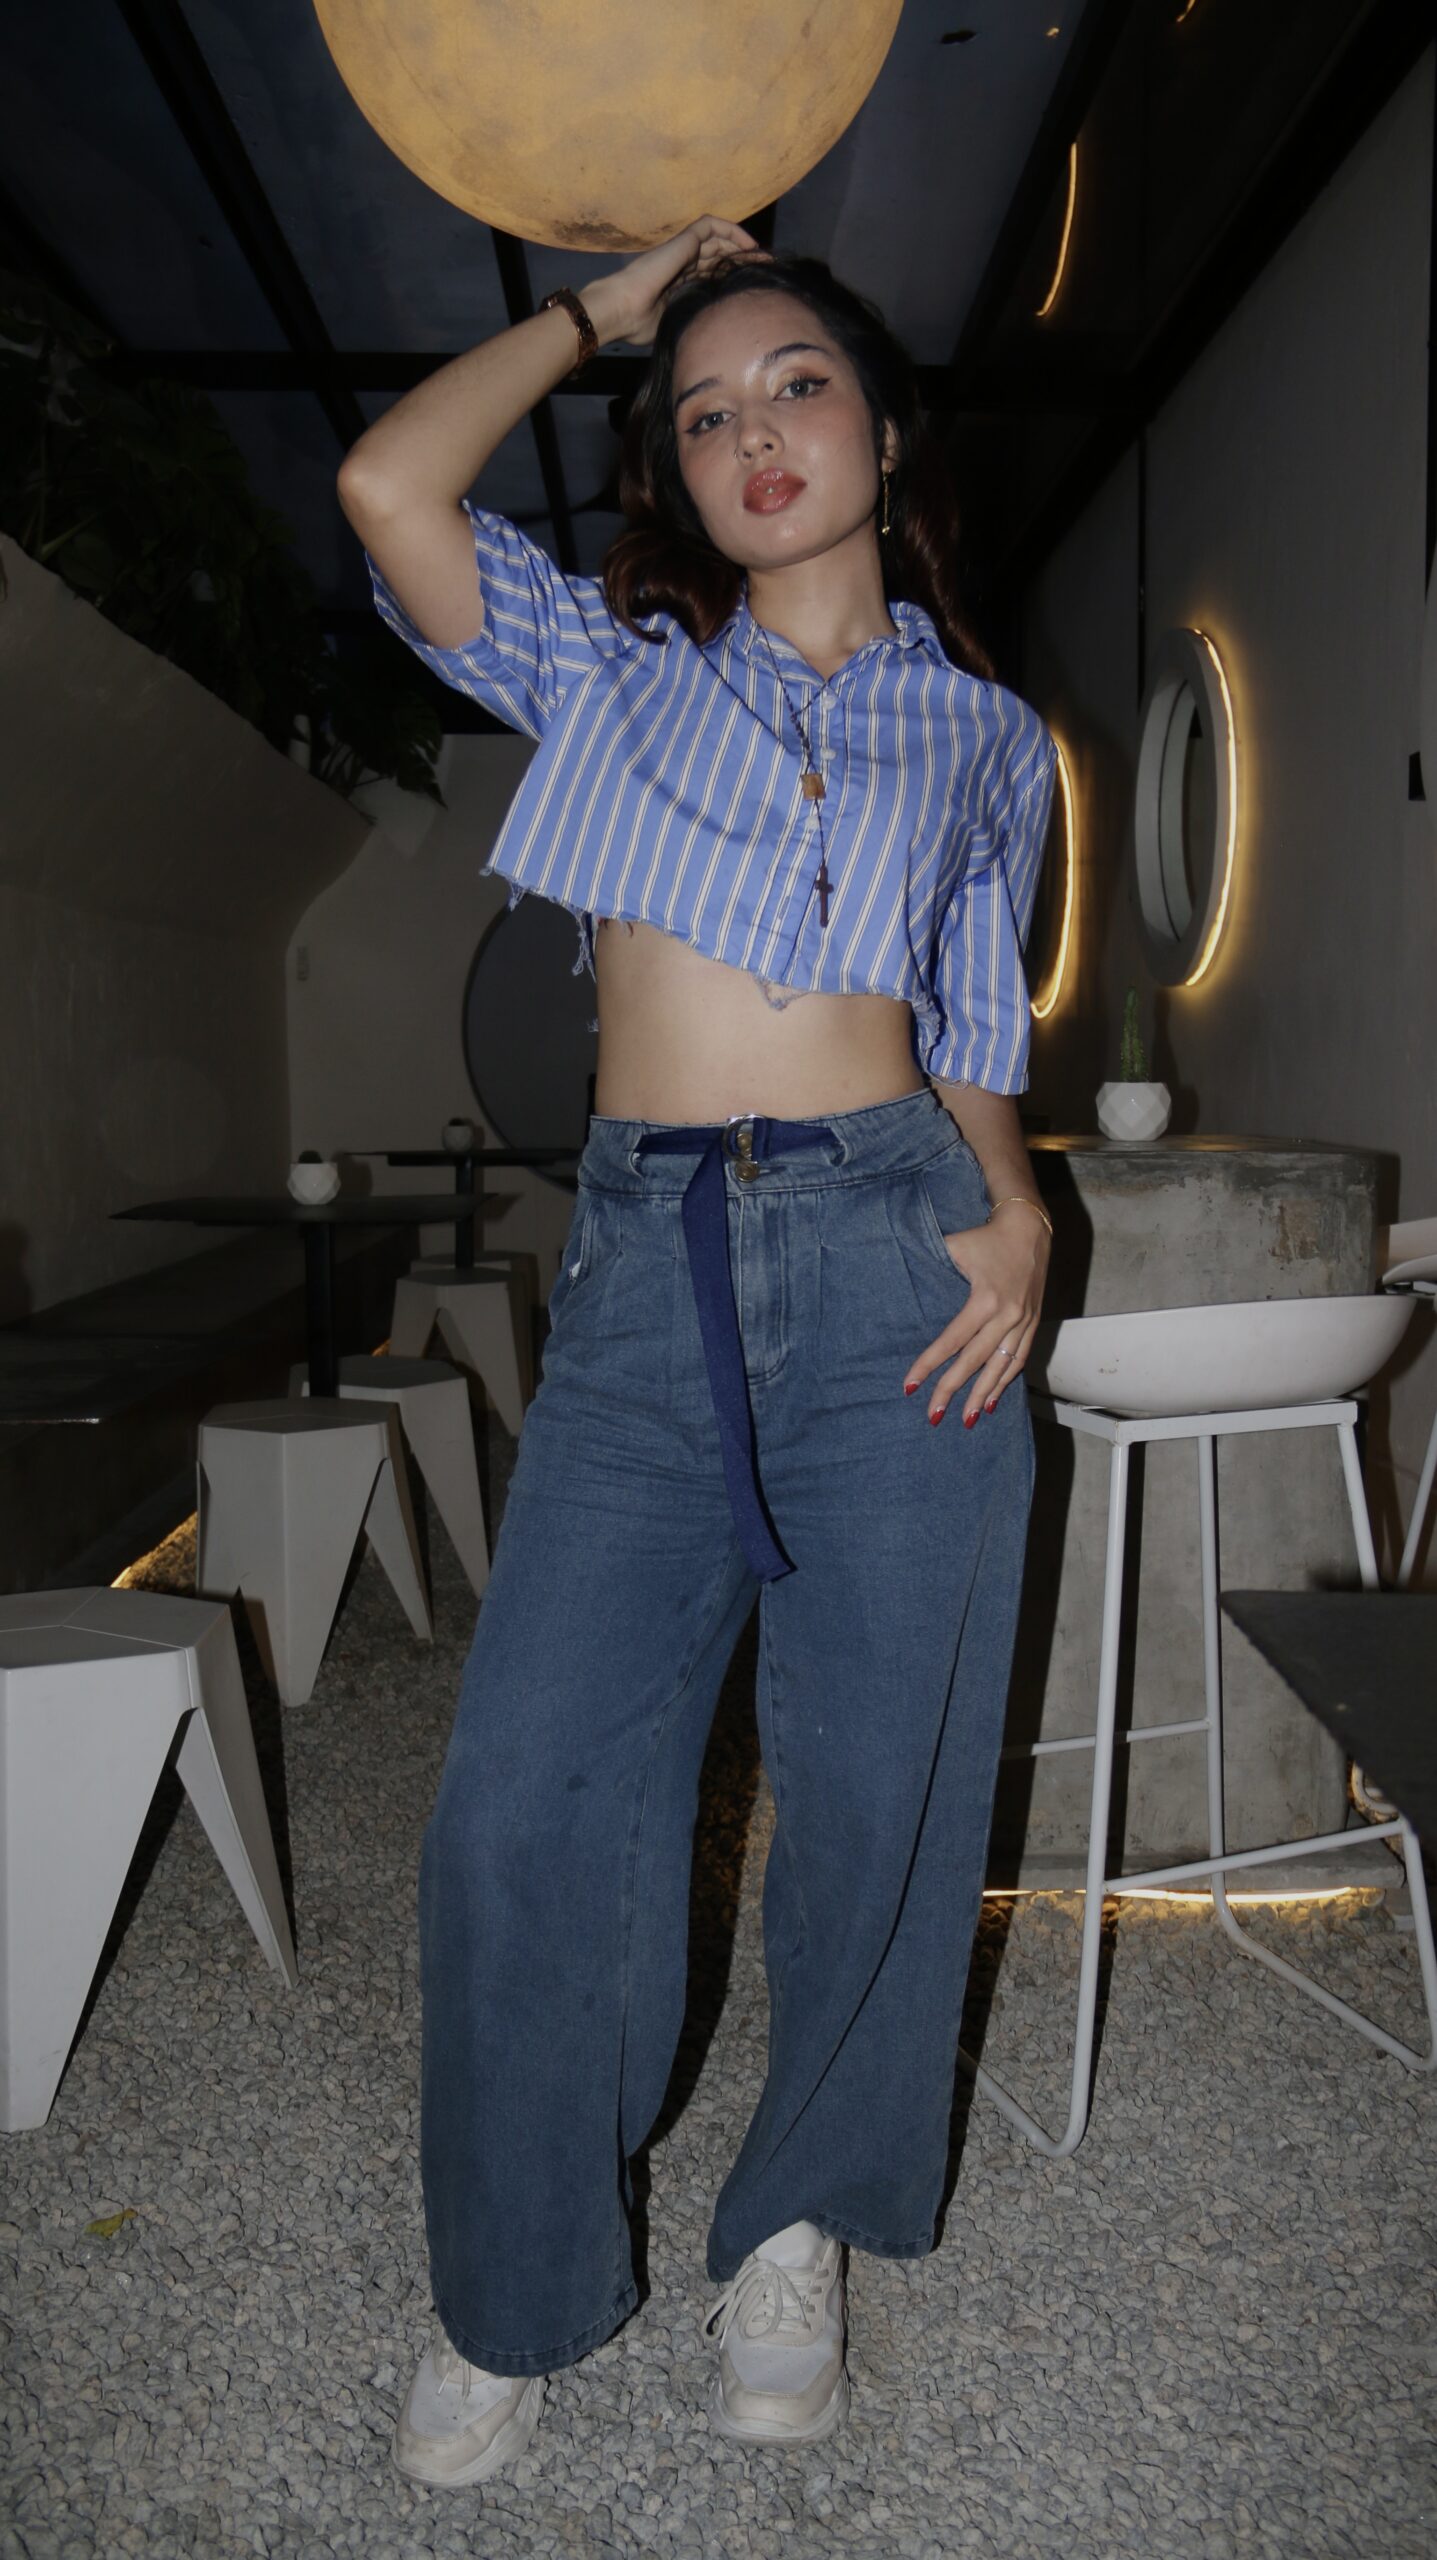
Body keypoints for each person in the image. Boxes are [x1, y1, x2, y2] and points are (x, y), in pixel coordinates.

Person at [337, 213, 1057, 2490]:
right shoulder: (614, 667)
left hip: (901, 1255)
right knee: (524, 1793)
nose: (754, 428)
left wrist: (1020, 1203)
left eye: (797, 385)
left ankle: (801, 2222)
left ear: (883, 432)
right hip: (652, 1265)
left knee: (879, 1782)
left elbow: (968, 1013)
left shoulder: (990, 737)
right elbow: (386, 490)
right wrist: (605, 310)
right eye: (707, 406)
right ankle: (514, 2279)